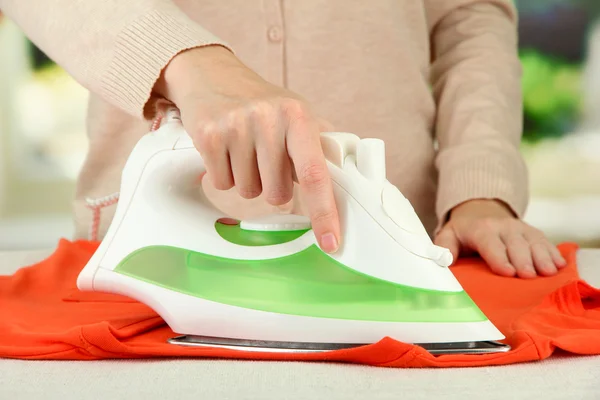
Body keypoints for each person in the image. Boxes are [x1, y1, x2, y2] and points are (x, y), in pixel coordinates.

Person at [0, 0, 566, 278]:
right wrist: (193, 65)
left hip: (407, 233)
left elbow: (468, 17)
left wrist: (478, 190)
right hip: (144, 257)